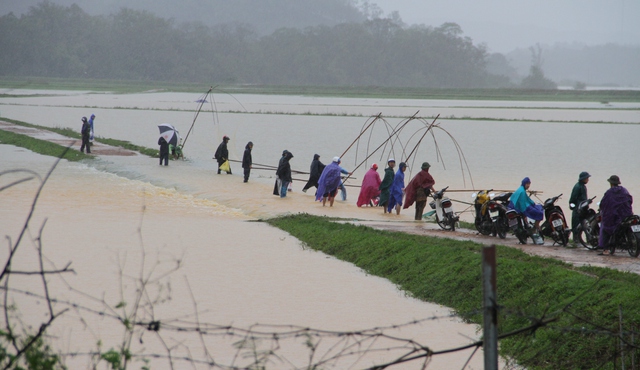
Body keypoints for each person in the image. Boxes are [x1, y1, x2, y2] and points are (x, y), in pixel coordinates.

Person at [598, 175, 634, 255]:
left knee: (605, 228)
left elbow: (604, 203)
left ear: (611, 183)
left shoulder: (609, 192)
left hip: (613, 215)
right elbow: (630, 200)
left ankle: (606, 249)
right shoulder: (624, 190)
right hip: (626, 215)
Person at [569, 171, 591, 237]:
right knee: (576, 226)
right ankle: (576, 240)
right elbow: (573, 199)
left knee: (584, 226)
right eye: (587, 178)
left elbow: (583, 199)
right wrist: (574, 207)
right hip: (578, 210)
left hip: (582, 209)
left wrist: (587, 202)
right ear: (583, 179)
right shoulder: (578, 187)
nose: (588, 180)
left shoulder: (583, 186)